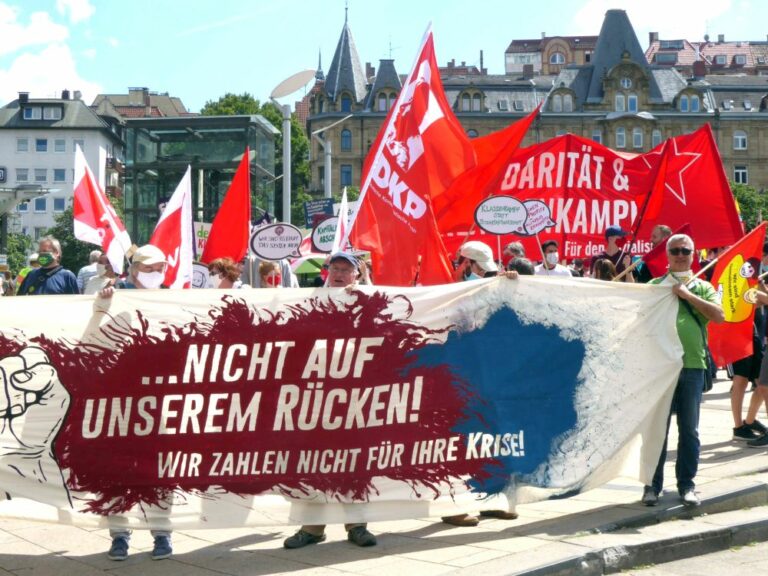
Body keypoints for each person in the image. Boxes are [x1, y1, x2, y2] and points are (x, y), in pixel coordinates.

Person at [284, 250, 377, 549]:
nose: (338, 273)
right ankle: (311, 528)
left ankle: (357, 525)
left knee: (354, 460)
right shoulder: (310, 300)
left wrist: (365, 291)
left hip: (354, 396)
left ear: (356, 274)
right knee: (312, 461)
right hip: (315, 395)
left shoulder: (365, 298)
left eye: (345, 269)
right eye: (334, 268)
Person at [99, 244, 173, 560]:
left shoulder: (178, 299)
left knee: (160, 472)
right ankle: (119, 535)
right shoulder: (114, 296)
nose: (154, 274)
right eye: (147, 269)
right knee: (116, 471)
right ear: (133, 271)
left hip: (160, 401)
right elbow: (95, 339)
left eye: (159, 269)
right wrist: (101, 306)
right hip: (120, 400)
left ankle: (161, 533)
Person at [642, 233, 724, 507]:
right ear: (667, 255)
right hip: (660, 368)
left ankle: (686, 485)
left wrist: (688, 295)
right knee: (657, 430)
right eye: (675, 250)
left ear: (693, 254)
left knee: (689, 429)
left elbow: (719, 315)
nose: (679, 255)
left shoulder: (701, 285)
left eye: (685, 250)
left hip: (691, 365)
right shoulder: (654, 286)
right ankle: (651, 486)